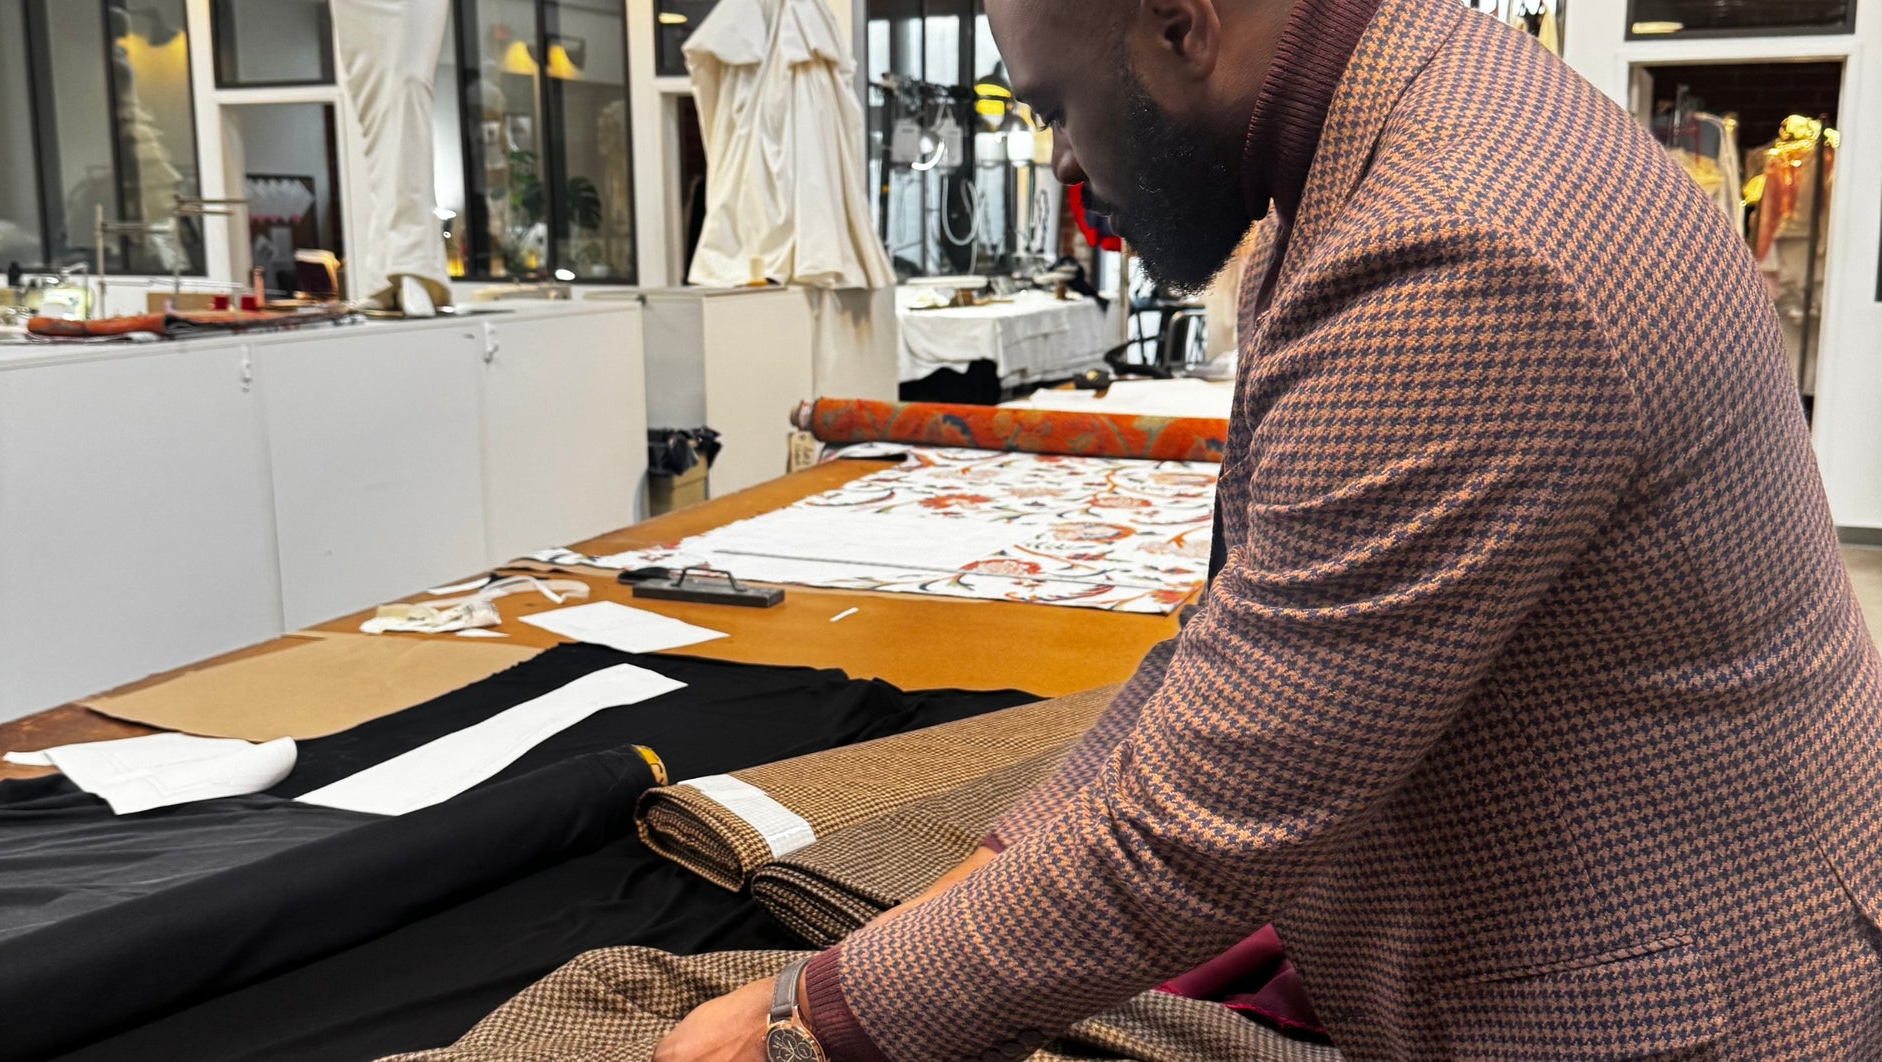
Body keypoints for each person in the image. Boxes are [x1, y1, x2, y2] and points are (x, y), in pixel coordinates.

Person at [657, 0, 1882, 1057]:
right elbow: (1225, 645)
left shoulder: (1456, 248)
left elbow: (1197, 827)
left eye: (1060, 102)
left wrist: (816, 1023)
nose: (1062, 162)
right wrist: (978, 885)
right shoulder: (1386, 132)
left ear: (1184, 24)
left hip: (1682, 1001)